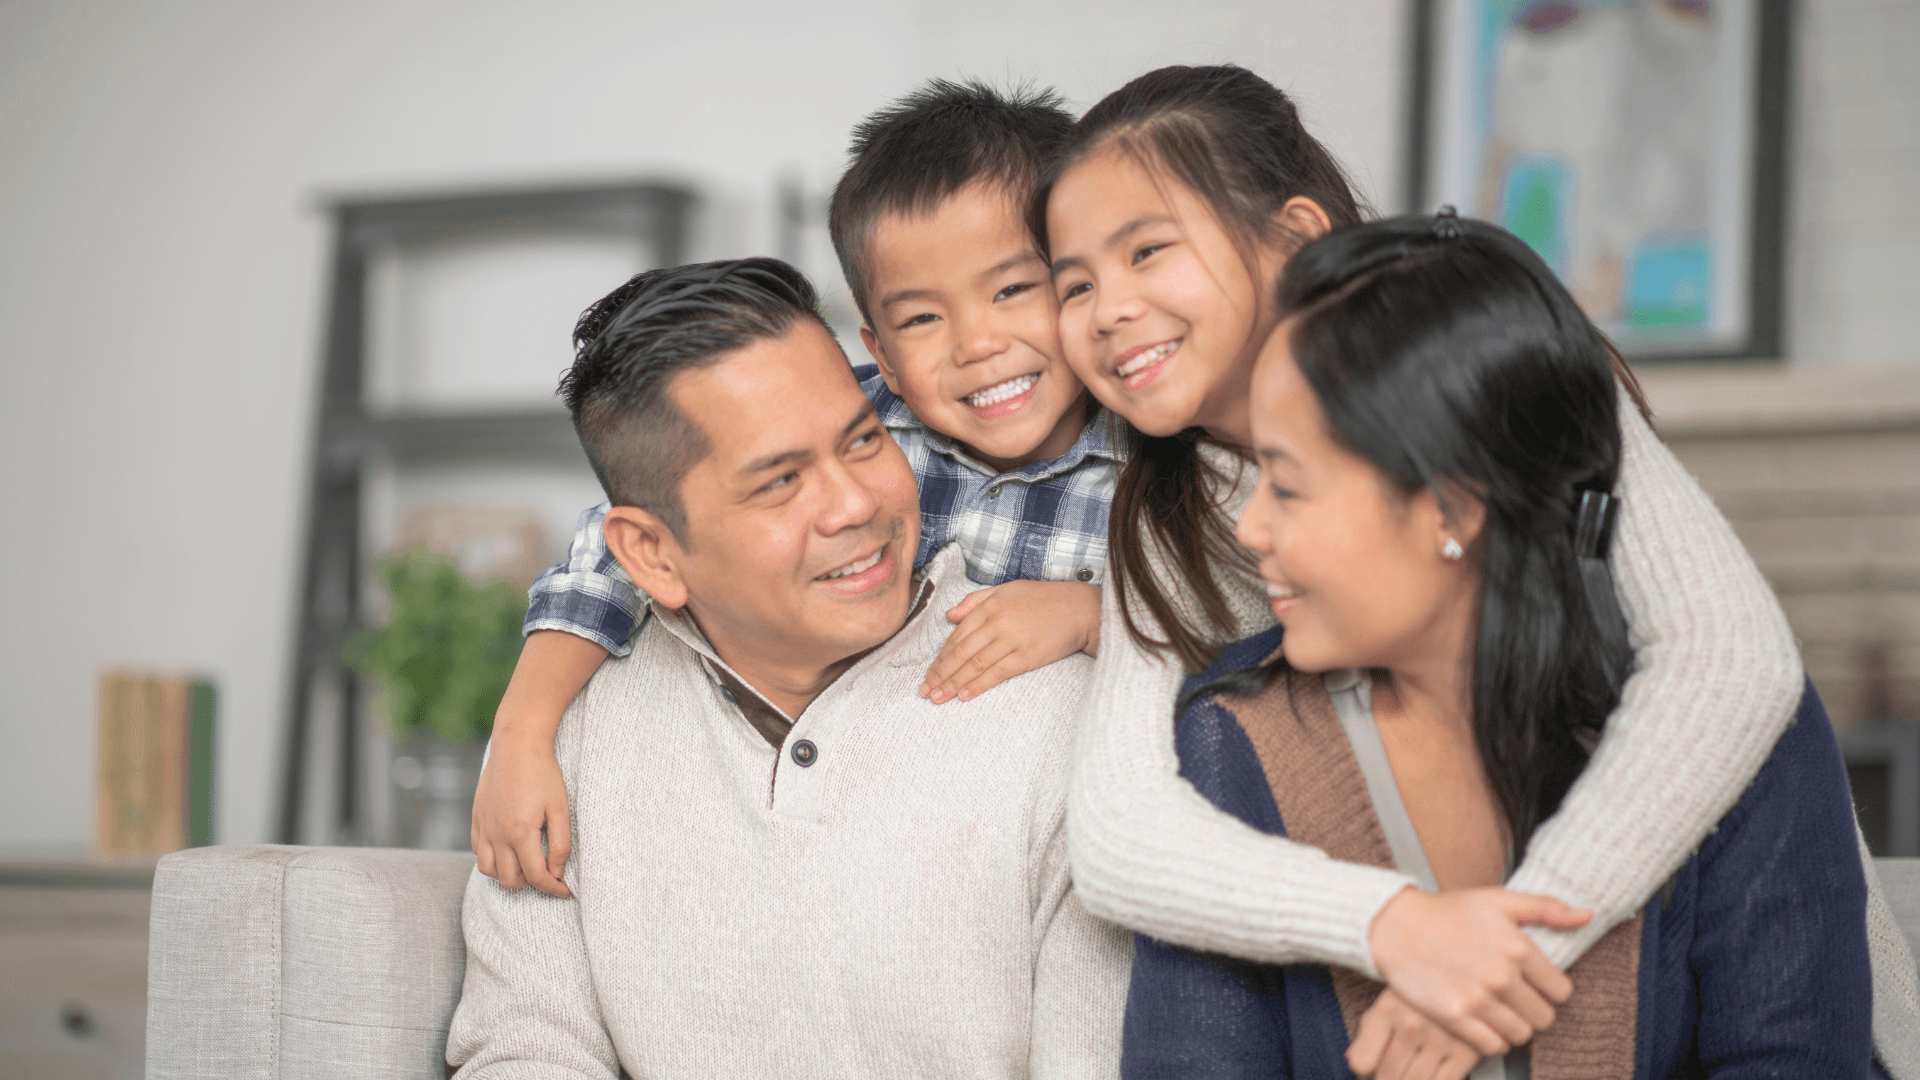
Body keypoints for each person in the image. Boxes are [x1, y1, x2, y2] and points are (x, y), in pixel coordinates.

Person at [1029, 63, 1919, 1071]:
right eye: (1074, 285)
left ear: (1296, 235)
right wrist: (1402, 928)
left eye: (1147, 250)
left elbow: (1733, 668)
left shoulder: (1498, 361)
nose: (1107, 309)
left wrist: (1504, 955)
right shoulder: (1163, 527)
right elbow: (1120, 839)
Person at [444, 258, 1131, 1079]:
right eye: (780, 483)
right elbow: (524, 1051)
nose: (855, 505)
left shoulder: (1065, 718)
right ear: (651, 554)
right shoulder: (559, 744)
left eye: (864, 439)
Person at [470, 80, 1127, 898]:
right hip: (843, 821)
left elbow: (1235, 632)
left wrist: (1094, 615)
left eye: (1012, 290)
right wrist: (524, 732)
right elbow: (618, 549)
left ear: (1080, 285)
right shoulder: (851, 424)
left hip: (1030, 844)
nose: (977, 345)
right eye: (922, 320)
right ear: (880, 352)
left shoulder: (1155, 465)